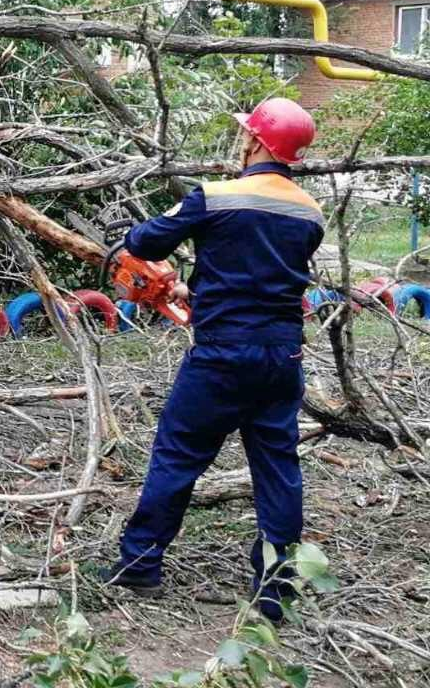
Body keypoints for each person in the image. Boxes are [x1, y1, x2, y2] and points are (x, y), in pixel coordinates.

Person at [99, 97, 322, 622]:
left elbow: (143, 239)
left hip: (222, 353)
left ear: (259, 141)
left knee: (178, 456)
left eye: (248, 134)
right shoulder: (309, 211)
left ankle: (139, 565)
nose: (242, 140)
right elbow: (264, 269)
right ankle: (273, 591)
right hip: (282, 353)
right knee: (279, 469)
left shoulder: (216, 197)